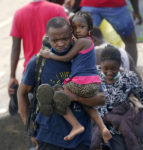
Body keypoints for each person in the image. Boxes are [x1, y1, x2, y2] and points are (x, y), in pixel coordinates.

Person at [18, 17, 105, 150]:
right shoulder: (38, 62)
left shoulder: (83, 58)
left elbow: (101, 99)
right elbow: (22, 93)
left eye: (65, 38)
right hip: (47, 136)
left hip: (80, 139)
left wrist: (73, 96)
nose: (60, 44)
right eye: (55, 40)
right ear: (48, 37)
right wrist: (30, 130)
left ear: (71, 33)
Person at [39, 11, 112, 143]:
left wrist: (49, 55)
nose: (77, 31)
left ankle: (76, 125)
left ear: (90, 28)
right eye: (74, 28)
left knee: (57, 93)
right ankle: (102, 127)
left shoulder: (82, 42)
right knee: (88, 106)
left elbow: (66, 57)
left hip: (80, 82)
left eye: (81, 27)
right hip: (92, 84)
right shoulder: (88, 42)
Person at [95, 45, 143, 150]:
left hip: (119, 126)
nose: (109, 73)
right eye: (105, 68)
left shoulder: (129, 78)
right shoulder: (94, 74)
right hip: (97, 121)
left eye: (114, 69)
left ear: (120, 64)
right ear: (100, 64)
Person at [8, 0, 68, 96]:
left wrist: (12, 76)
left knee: (33, 105)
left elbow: (15, 48)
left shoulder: (19, 14)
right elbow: (69, 36)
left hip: (31, 73)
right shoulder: (57, 9)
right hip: (56, 69)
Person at [63, 0, 142, 65]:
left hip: (90, 4)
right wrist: (136, 11)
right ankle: (131, 76)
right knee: (130, 40)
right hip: (115, 5)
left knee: (86, 41)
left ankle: (87, 75)